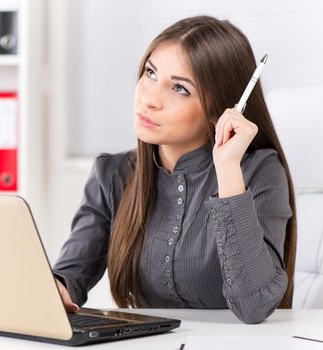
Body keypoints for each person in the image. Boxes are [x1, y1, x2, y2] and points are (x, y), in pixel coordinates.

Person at [52, 15, 296, 324]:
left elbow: (253, 306)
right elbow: (71, 275)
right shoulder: (112, 174)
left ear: (220, 108)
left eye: (180, 89)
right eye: (151, 73)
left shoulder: (258, 171)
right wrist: (54, 289)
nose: (149, 99)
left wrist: (227, 170)